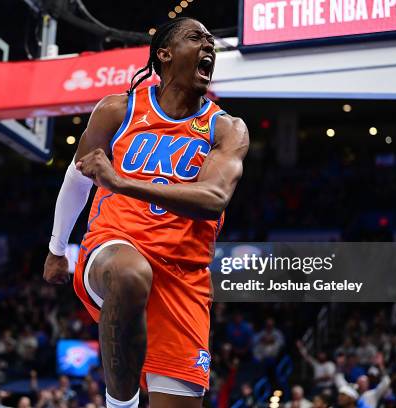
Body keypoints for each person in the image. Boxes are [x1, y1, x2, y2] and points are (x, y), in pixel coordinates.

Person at [43, 16, 248, 408]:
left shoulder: (226, 129)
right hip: (114, 246)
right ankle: (120, 403)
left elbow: (213, 198)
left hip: (184, 278)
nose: (209, 47)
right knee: (131, 273)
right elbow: (77, 178)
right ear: (164, 55)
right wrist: (56, 249)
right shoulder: (117, 111)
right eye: (196, 38)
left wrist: (121, 182)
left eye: (211, 42)